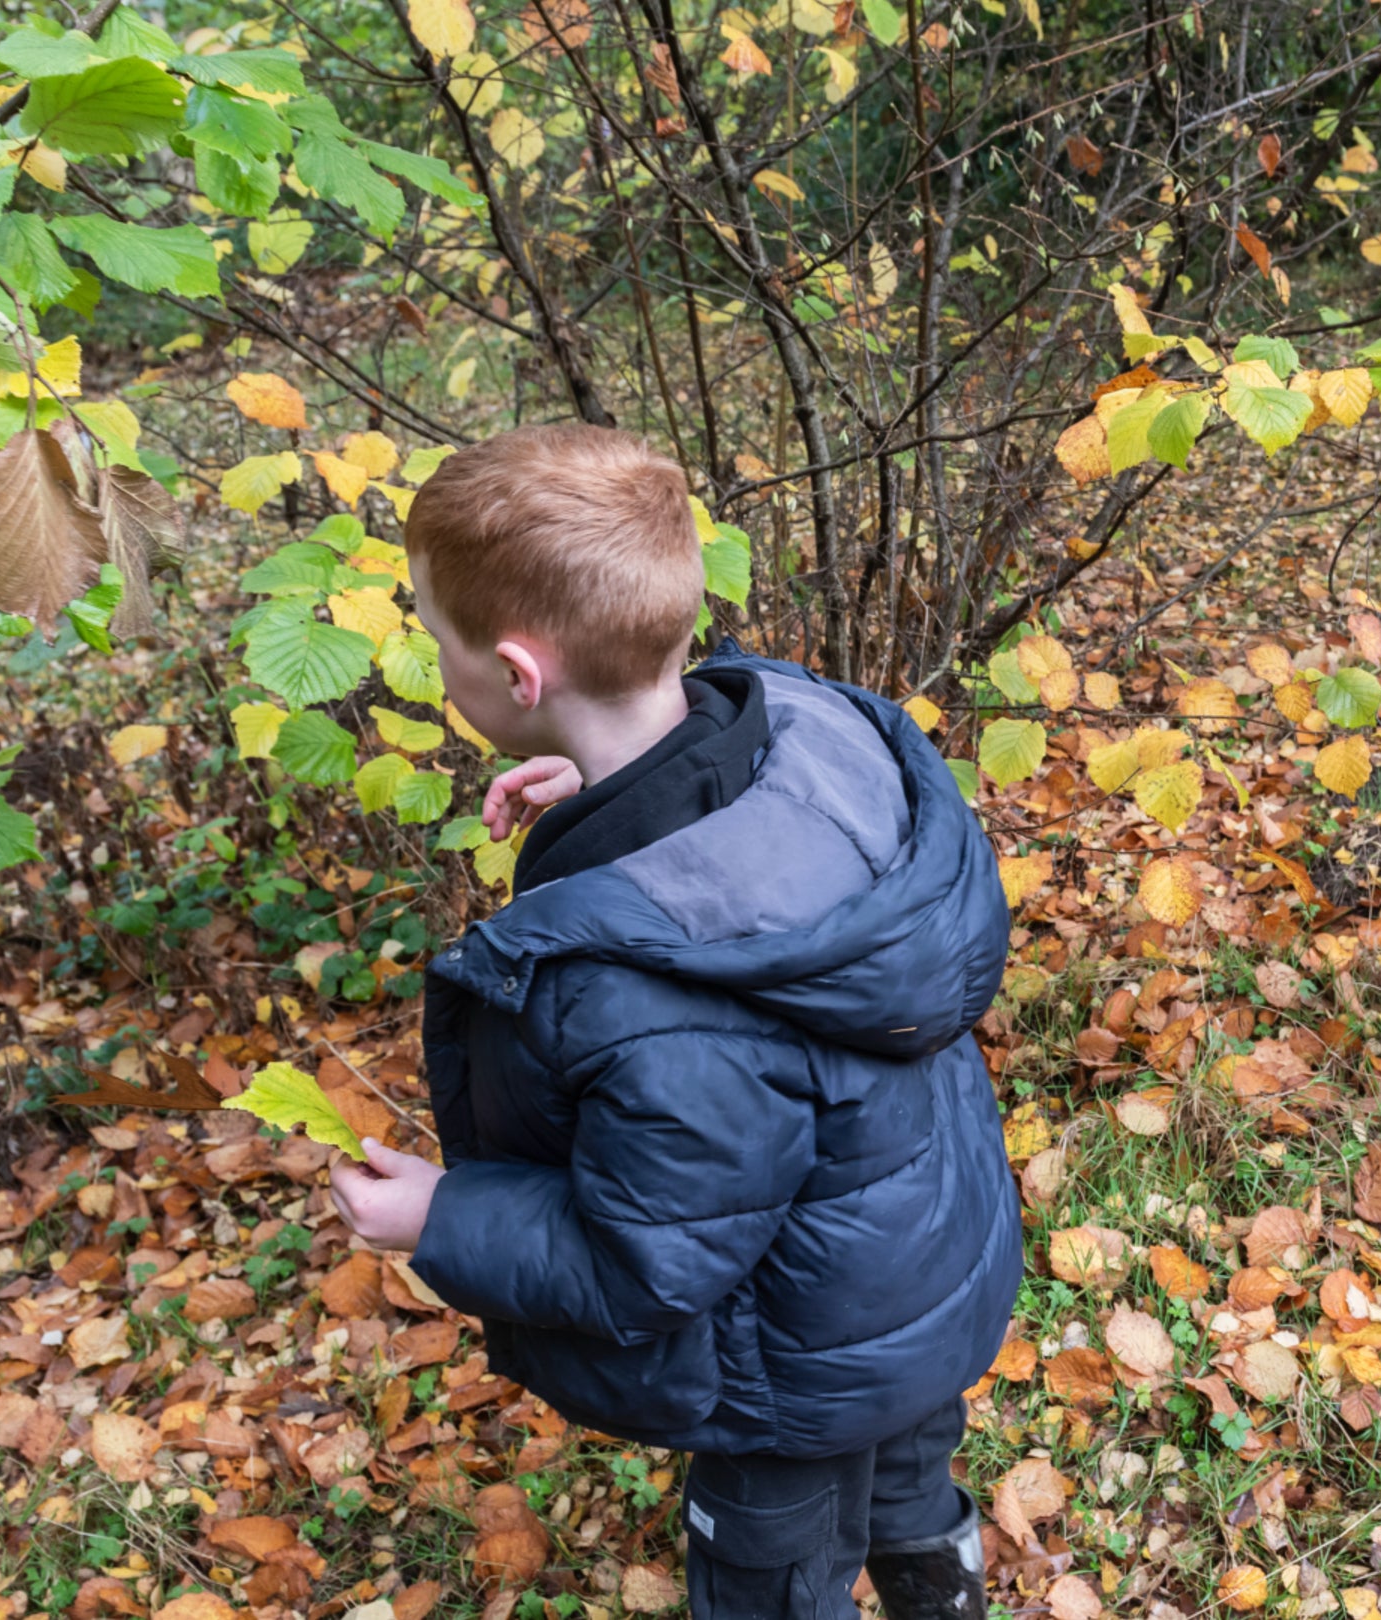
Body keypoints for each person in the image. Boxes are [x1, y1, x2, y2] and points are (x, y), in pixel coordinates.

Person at [324, 424, 1021, 1620]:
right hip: (918, 1260)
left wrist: (445, 1217)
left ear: (516, 675)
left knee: (770, 1570)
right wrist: (604, 782)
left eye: (440, 643)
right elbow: (732, 817)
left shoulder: (650, 1003)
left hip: (795, 1355)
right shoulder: (814, 731)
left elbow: (647, 1260)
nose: (437, 666)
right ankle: (938, 1590)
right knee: (908, 1454)